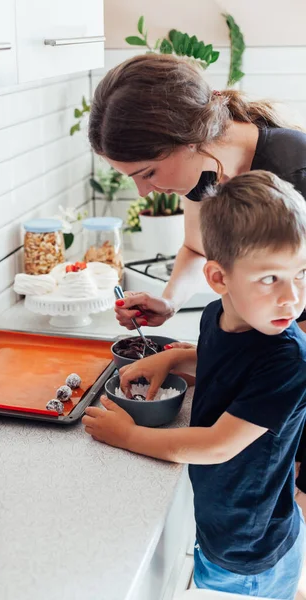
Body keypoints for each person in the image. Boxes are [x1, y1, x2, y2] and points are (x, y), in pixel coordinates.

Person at [88, 51, 306, 499]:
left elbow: (287, 335)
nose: (144, 190)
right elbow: (195, 246)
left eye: (147, 172)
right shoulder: (207, 173)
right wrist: (169, 303)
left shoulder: (295, 172)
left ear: (189, 138)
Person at [83, 171, 306, 599]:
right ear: (219, 280)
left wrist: (130, 435)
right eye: (270, 278)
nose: (291, 298)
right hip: (223, 527)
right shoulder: (218, 317)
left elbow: (218, 445)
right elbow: (228, 364)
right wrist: (176, 357)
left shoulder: (288, 358)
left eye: (300, 273)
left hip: (249, 550)